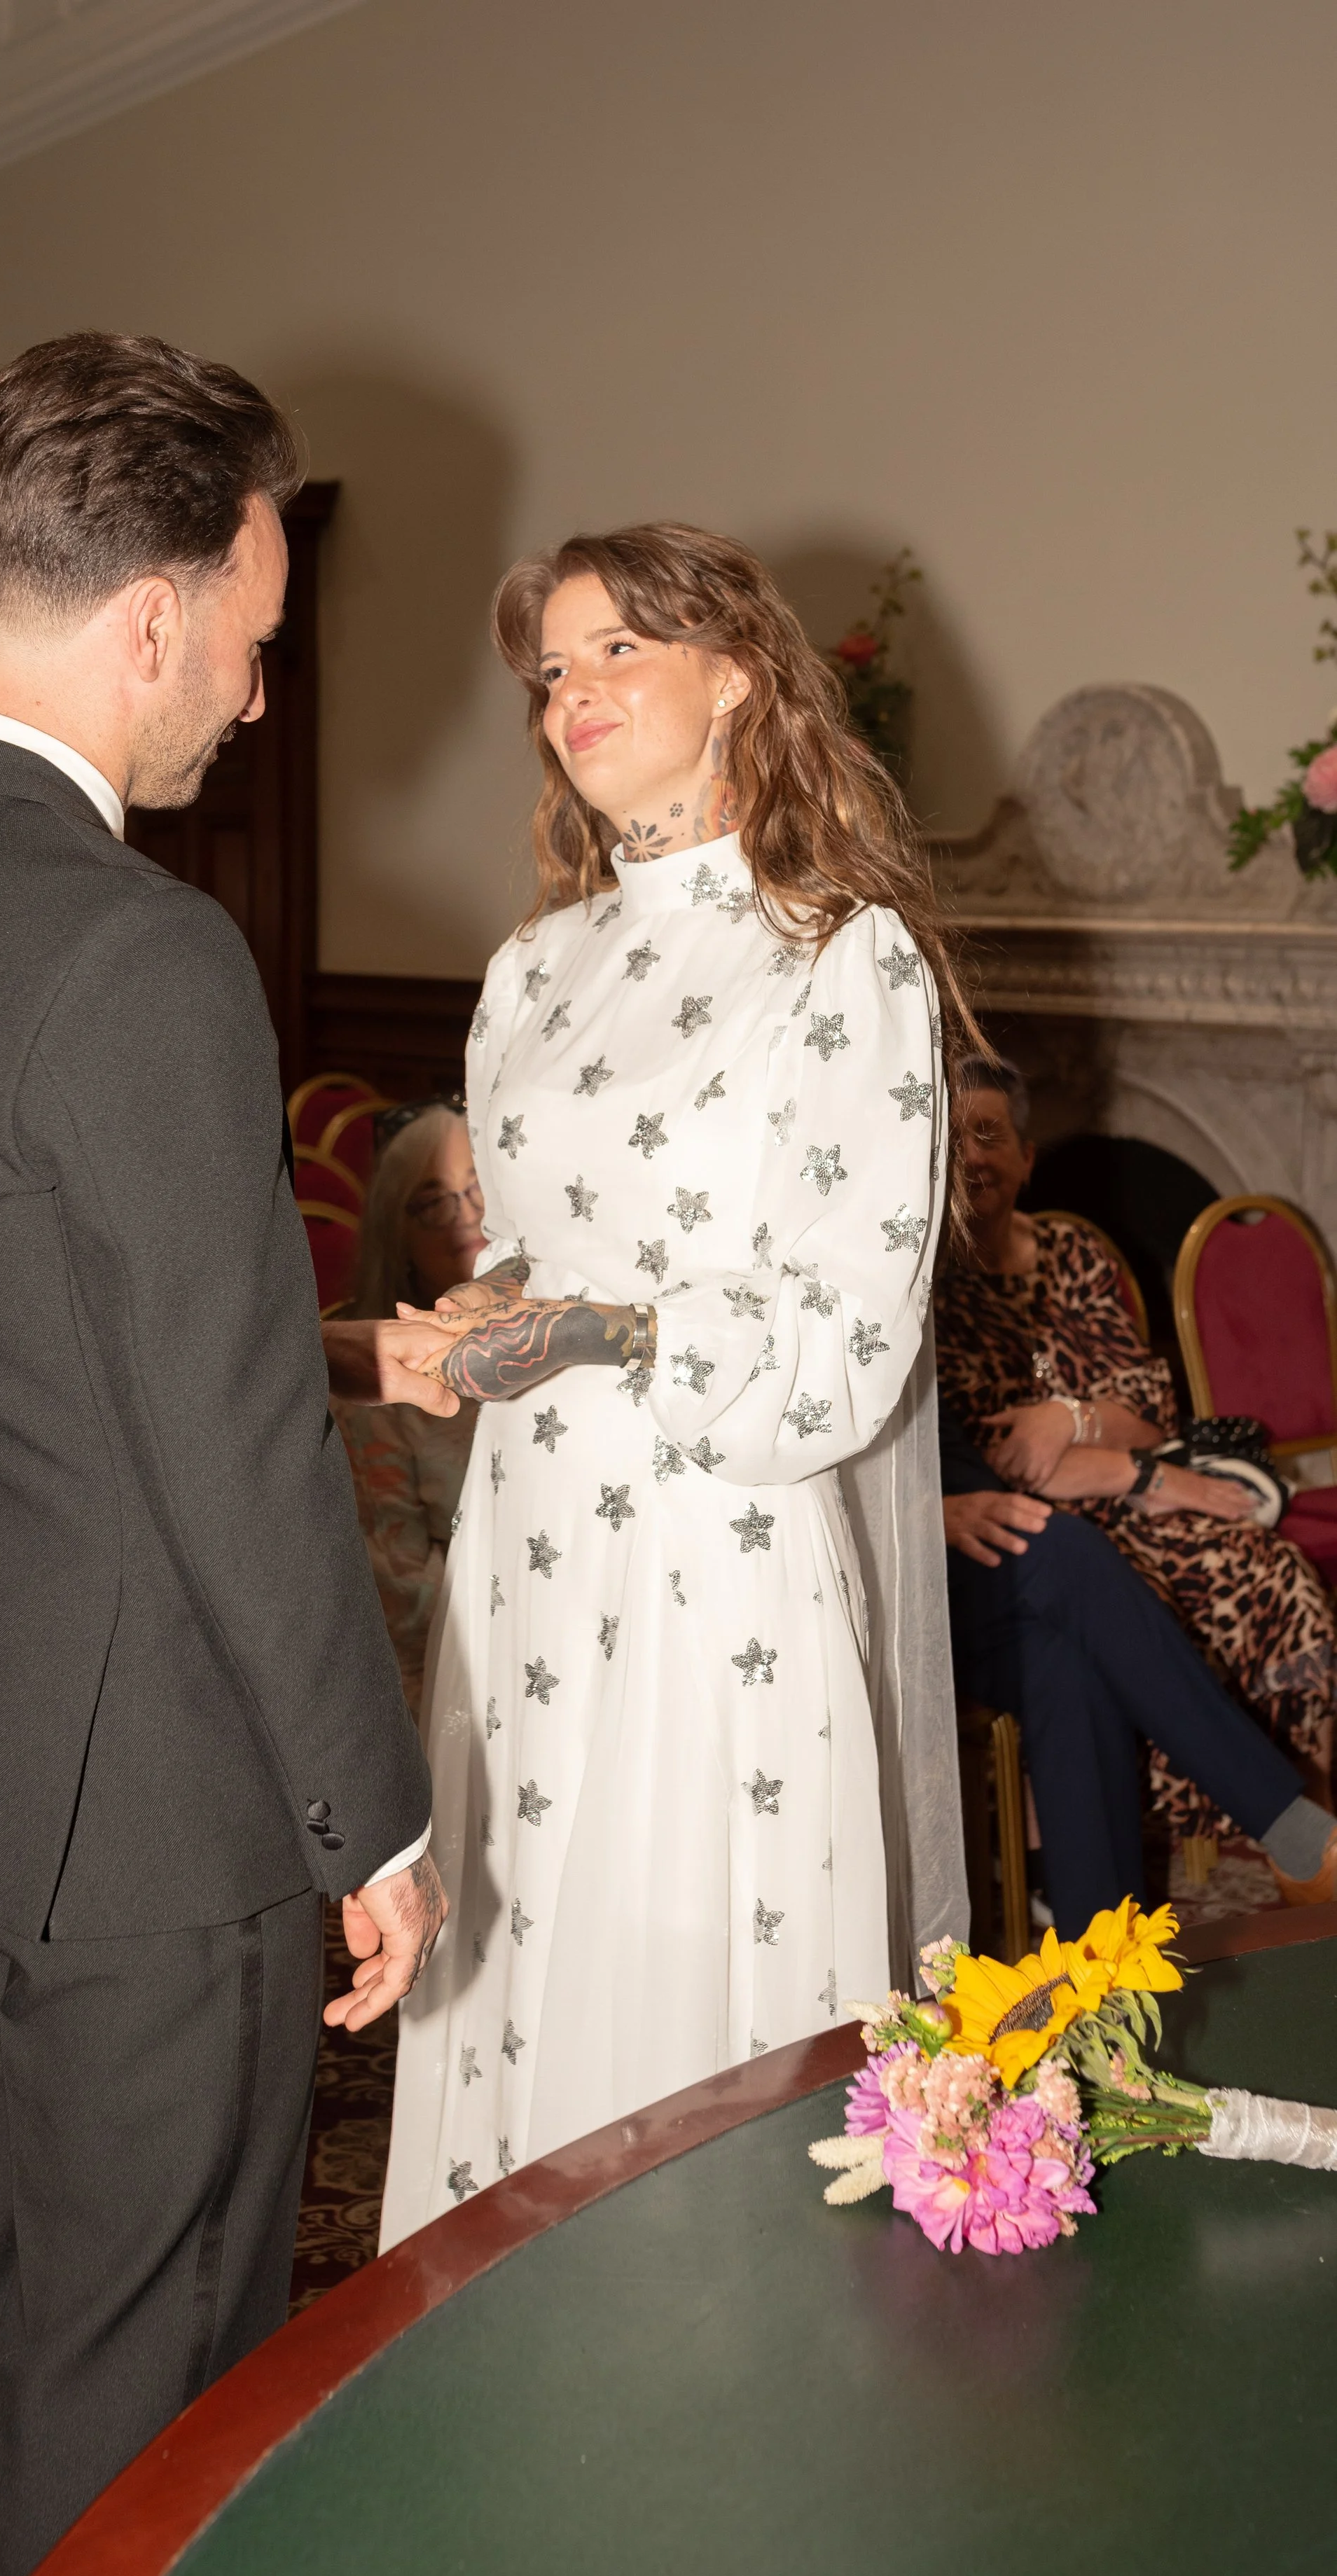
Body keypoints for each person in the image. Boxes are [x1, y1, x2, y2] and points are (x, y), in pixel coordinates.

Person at [0, 334, 451, 2576]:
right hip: (156, 1809)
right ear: (151, 616)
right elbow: (229, 1445)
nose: (245, 701)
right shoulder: (139, 951)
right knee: (136, 2365)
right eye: (247, 645)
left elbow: (30, 1328)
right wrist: (381, 1820)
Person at [378, 521, 976, 2245]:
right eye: (552, 670)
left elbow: (847, 1334)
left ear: (735, 674)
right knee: (522, 1930)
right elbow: (544, 1257)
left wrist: (590, 1335)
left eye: (617, 650)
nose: (574, 694)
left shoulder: (837, 961)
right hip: (530, 1542)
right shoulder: (531, 971)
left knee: (671, 1936)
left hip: (719, 1548)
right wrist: (473, 1317)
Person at [935, 1057, 1337, 1848]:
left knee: (1270, 1570)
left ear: (1026, 1158)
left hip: (1125, 1501)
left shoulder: (1073, 1253)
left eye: (991, 1135)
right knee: (1148, 1597)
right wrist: (1128, 1465)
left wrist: (1066, 1418)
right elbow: (994, 1459)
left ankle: (1306, 1833)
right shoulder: (925, 1284)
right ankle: (1207, 1834)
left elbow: (1150, 1407)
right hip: (1052, 1530)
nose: (973, 1156)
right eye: (953, 1140)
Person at [941, 1402, 1337, 1926]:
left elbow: (1154, 1428)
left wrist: (1073, 1419)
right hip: (882, 1573)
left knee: (1063, 1666)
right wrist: (928, 1514)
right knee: (1065, 1549)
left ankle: (1108, 1956)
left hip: (983, 1574)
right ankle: (1294, 1831)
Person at [332, 1101, 482, 1712]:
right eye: (435, 1201)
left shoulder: (557, 1334)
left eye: (477, 1190)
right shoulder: (374, 1387)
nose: (466, 1218)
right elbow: (404, 1599)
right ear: (400, 1236)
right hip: (455, 1675)